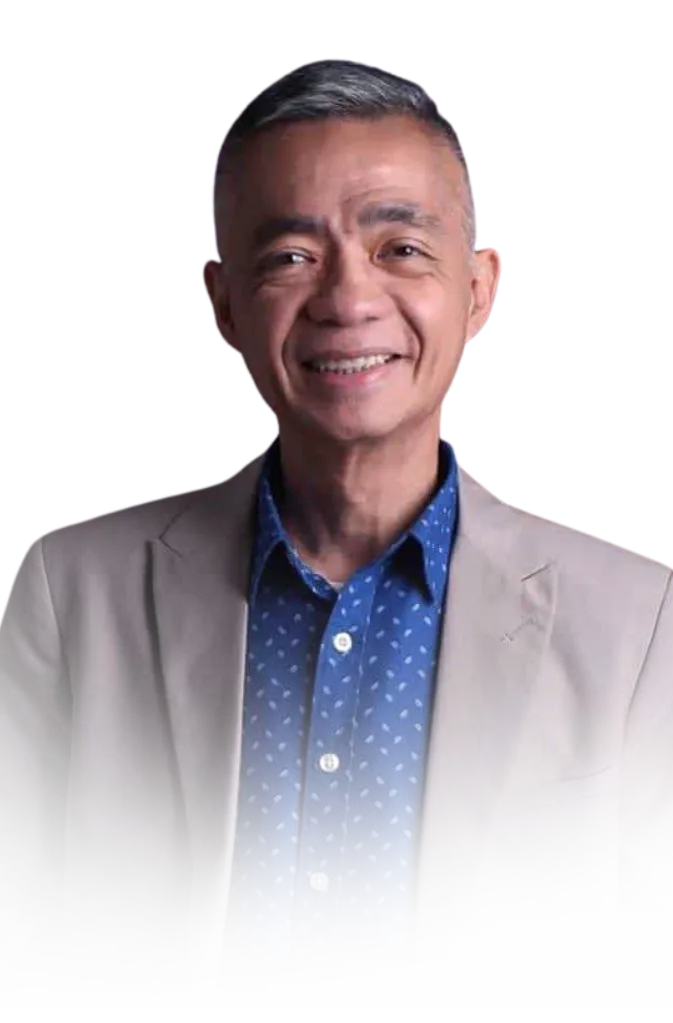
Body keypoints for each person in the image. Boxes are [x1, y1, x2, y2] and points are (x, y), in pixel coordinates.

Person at [0, 56, 670, 1017]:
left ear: (479, 288)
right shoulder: (75, 593)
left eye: (401, 248)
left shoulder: (632, 616)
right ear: (222, 301)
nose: (347, 299)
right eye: (289, 256)